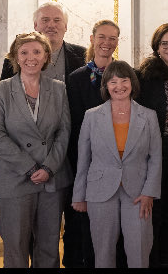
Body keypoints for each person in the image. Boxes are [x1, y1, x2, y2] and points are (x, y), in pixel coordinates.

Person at [0, 32, 72, 268]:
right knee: (16, 251)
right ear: (15, 56)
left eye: (37, 52)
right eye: (24, 52)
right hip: (14, 180)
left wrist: (48, 167)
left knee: (49, 249)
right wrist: (30, 167)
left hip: (51, 180)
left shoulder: (59, 88)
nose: (30, 57)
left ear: (46, 56)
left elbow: (64, 132)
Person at [71, 60, 162, 268]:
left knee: (139, 251)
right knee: (102, 253)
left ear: (133, 83)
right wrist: (79, 195)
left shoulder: (149, 116)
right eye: (113, 82)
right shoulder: (91, 116)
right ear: (105, 86)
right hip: (99, 192)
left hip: (138, 193)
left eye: (124, 80)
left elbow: (156, 157)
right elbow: (83, 159)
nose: (119, 86)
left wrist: (150, 192)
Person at [65, 19, 121, 267]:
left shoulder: (123, 75)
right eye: (102, 37)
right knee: (81, 223)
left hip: (116, 162)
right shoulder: (76, 78)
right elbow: (73, 124)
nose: (106, 43)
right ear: (92, 39)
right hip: (84, 160)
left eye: (112, 38)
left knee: (112, 225)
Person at [135, 23, 168, 268]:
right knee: (152, 214)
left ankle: (162, 263)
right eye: (165, 43)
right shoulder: (144, 76)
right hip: (151, 155)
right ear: (157, 47)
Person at [0, 2, 87, 83]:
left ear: (65, 26)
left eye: (57, 20)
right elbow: (4, 96)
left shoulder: (83, 55)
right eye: (45, 20)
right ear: (35, 25)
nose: (51, 25)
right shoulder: (14, 58)